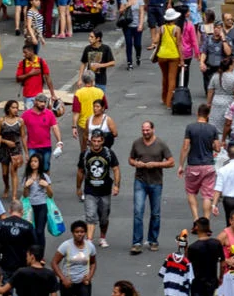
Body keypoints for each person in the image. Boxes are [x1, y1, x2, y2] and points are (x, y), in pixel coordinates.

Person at [127, 120, 173, 254]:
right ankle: (136, 242)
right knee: (138, 212)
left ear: (153, 129)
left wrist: (156, 164)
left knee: (155, 213)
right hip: (140, 181)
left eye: (148, 130)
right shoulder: (136, 143)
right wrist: (136, 163)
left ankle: (153, 240)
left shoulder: (161, 144)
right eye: (143, 130)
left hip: (156, 182)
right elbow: (130, 159)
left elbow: (171, 162)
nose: (145, 133)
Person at [50, 221, 97, 296]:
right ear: (72, 233)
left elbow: (93, 263)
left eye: (82, 232)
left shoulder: (90, 246)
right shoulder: (66, 246)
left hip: (83, 283)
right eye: (77, 232)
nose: (79, 234)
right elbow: (54, 263)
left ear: (85, 233)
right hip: (68, 283)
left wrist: (89, 276)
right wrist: (63, 278)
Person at [75, 130, 119, 249]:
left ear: (103, 141)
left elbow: (116, 169)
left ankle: (102, 237)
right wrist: (78, 187)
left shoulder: (109, 154)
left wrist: (116, 185)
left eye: (98, 141)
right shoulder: (85, 154)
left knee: (104, 218)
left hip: (105, 191)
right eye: (94, 141)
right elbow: (80, 171)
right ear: (90, 141)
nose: (96, 144)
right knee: (90, 215)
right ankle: (89, 241)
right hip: (90, 190)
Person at [179, 104, 221, 221]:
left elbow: (186, 146)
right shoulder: (212, 129)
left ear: (198, 113)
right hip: (208, 166)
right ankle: (206, 221)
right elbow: (217, 148)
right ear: (208, 115)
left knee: (191, 192)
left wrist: (181, 165)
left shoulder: (190, 127)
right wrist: (210, 145)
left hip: (193, 165)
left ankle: (196, 219)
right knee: (207, 195)